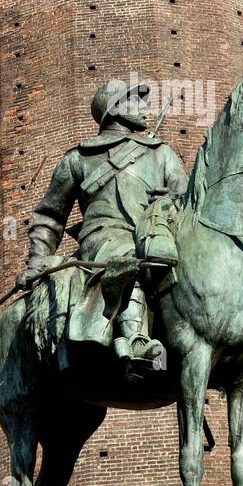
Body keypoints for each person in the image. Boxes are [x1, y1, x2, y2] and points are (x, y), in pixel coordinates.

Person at [16, 78, 189, 370]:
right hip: (105, 237)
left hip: (157, 231)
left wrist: (173, 198)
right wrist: (37, 261)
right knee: (130, 255)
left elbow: (186, 198)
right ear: (116, 108)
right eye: (135, 100)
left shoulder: (162, 153)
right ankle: (135, 340)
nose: (144, 107)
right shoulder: (79, 159)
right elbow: (50, 217)